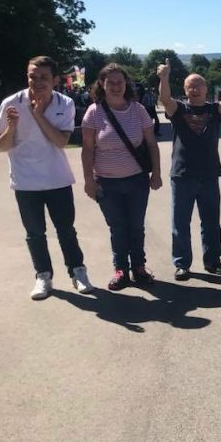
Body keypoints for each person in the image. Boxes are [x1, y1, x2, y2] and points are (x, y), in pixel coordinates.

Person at [0, 56, 93, 299]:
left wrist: (38, 114)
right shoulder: (11, 103)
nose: (37, 82)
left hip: (57, 179)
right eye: (33, 76)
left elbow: (60, 141)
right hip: (25, 181)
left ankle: (78, 272)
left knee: (66, 230)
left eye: (44, 77)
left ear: (55, 80)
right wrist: (12, 126)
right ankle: (43, 276)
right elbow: (2, 145)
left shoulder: (65, 103)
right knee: (35, 233)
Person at [81, 64, 163, 290]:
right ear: (102, 84)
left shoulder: (138, 110)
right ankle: (121, 270)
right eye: (111, 83)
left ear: (126, 84)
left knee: (136, 226)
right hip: (106, 182)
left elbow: (151, 144)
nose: (116, 86)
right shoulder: (94, 112)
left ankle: (139, 267)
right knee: (117, 227)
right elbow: (87, 149)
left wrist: (156, 173)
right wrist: (88, 180)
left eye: (120, 82)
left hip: (137, 180)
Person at [158, 57, 221, 280]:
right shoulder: (179, 109)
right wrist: (164, 77)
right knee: (180, 223)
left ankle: (213, 261)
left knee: (211, 222)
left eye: (199, 84)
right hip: (182, 175)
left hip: (209, 174)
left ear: (206, 88)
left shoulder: (214, 110)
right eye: (190, 85)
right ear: (185, 90)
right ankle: (182, 264)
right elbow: (165, 99)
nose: (195, 89)